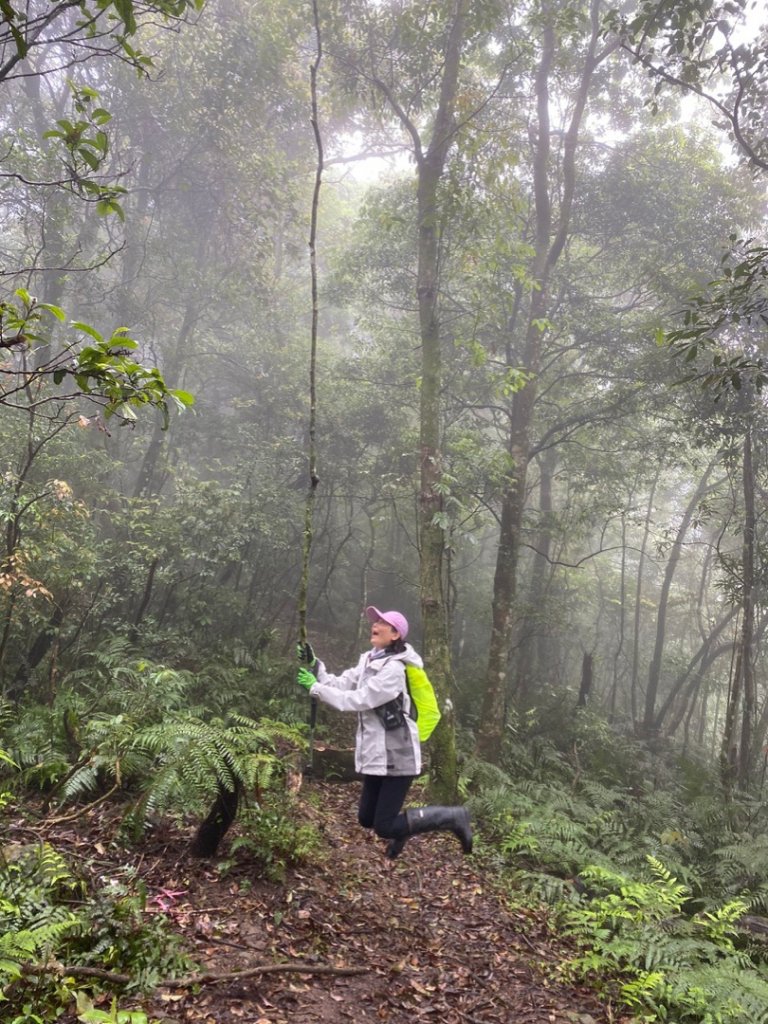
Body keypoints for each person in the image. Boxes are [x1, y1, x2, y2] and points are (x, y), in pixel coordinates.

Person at [296, 606, 472, 860]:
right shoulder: (369, 659)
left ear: (395, 634)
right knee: (366, 818)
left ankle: (454, 816)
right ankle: (403, 831)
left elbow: (358, 700)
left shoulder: (394, 671)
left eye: (382, 622)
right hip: (376, 756)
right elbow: (340, 683)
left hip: (399, 757)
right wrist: (316, 666)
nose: (375, 624)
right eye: (375, 620)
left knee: (384, 826)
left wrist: (315, 689)